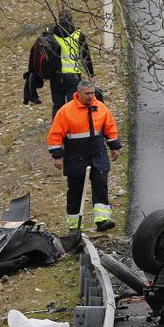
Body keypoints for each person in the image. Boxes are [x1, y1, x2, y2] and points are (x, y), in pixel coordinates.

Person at [46, 79, 122, 233]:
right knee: (75, 191)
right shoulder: (66, 111)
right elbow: (55, 134)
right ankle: (74, 226)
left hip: (98, 155)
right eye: (87, 93)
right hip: (75, 157)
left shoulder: (100, 108)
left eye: (92, 93)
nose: (90, 96)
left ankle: (102, 220)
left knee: (101, 184)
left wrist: (114, 147)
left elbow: (110, 128)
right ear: (78, 93)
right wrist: (57, 156)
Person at [50, 11, 96, 117]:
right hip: (73, 77)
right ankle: (73, 129)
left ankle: (57, 131)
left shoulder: (52, 34)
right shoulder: (78, 35)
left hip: (56, 77)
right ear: (71, 20)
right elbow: (86, 57)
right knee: (73, 106)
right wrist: (91, 75)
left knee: (57, 106)